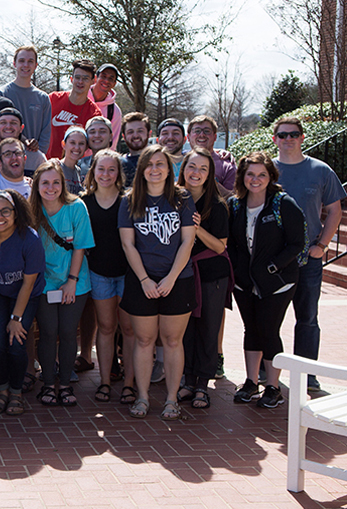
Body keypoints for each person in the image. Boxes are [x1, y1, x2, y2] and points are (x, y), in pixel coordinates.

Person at [118, 145, 196, 420]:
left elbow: (188, 240)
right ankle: (142, 397)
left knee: (173, 340)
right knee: (144, 339)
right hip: (143, 282)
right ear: (141, 170)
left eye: (160, 164)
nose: (154, 169)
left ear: (169, 168)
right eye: (149, 164)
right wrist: (145, 280)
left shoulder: (182, 198)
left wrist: (172, 278)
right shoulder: (129, 200)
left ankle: (172, 400)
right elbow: (128, 245)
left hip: (178, 280)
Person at [228, 151, 307, 408]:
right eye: (250, 174)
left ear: (270, 176)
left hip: (278, 282)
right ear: (242, 176)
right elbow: (232, 244)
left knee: (268, 329)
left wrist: (274, 266)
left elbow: (297, 243)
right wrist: (238, 271)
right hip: (245, 282)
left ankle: (273, 387)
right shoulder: (235, 205)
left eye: (262, 174)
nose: (255, 179)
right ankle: (251, 382)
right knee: (251, 329)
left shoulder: (283, 203)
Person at [272, 116, 344, 392]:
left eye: (293, 134)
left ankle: (307, 375)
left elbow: (335, 210)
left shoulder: (320, 170)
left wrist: (322, 246)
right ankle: (270, 374)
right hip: (273, 260)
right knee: (269, 318)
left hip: (307, 260)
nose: (288, 139)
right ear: (275, 138)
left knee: (307, 318)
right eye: (283, 134)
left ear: (302, 137)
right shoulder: (267, 170)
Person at [29, 161, 93, 407]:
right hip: (44, 284)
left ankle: (64, 384)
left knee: (67, 333)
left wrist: (71, 282)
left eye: (56, 182)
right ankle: (47, 383)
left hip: (74, 281)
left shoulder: (76, 207)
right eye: (45, 182)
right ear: (37, 185)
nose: (50, 187)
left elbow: (80, 246)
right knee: (47, 332)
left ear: (63, 184)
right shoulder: (31, 210)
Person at [0, 189, 45, 416]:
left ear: (16, 213)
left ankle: (16, 393)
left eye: (5, 210)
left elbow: (28, 283)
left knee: (16, 343)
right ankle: (2, 389)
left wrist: (16, 319)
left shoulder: (30, 239)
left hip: (24, 293)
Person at [175, 148, 231, 409]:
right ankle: (187, 381)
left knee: (208, 329)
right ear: (183, 169)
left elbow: (220, 247)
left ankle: (202, 385)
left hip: (211, 275)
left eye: (203, 169)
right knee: (185, 331)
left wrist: (197, 228)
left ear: (210, 175)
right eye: (192, 167)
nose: (196, 173)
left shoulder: (217, 205)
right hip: (181, 273)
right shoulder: (172, 199)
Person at [81, 150, 136, 404]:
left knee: (128, 329)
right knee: (105, 328)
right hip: (99, 273)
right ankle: (104, 381)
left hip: (128, 273)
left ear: (118, 173)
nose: (105, 174)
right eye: (100, 169)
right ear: (93, 172)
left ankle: (128, 383)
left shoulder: (130, 201)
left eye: (111, 169)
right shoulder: (84, 202)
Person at [0, 45, 51, 153]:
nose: (26, 65)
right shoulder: (1, 94)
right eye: (22, 61)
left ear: (35, 65)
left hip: (33, 158)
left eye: (30, 61)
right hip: (7, 158)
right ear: (14, 63)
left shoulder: (43, 98)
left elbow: (46, 134)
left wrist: (37, 155)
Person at [48, 60, 101, 159]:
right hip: (48, 164)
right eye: (77, 77)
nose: (80, 82)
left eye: (85, 78)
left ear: (93, 80)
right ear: (71, 79)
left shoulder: (94, 113)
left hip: (74, 168)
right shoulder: (53, 99)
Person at [0, 107, 47, 176]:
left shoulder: (36, 157)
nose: (8, 126)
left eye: (13, 123)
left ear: (21, 128)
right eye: (3, 122)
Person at [187, 115, 236, 193]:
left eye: (207, 131)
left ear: (215, 137)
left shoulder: (227, 165)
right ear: (188, 137)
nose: (202, 134)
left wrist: (210, 180)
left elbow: (231, 198)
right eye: (197, 131)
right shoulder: (180, 159)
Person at [88, 63, 123, 148]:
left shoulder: (114, 111)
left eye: (111, 78)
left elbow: (112, 143)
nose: (106, 81)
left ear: (114, 84)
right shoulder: (80, 98)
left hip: (97, 159)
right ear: (95, 78)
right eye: (103, 76)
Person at [119, 112, 150, 187]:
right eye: (130, 132)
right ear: (124, 136)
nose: (135, 135)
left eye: (140, 131)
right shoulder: (118, 163)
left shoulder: (157, 161)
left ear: (149, 134)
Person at [59, 126, 88, 195]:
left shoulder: (79, 171)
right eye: (72, 143)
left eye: (81, 144)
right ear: (63, 144)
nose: (77, 147)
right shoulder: (56, 167)